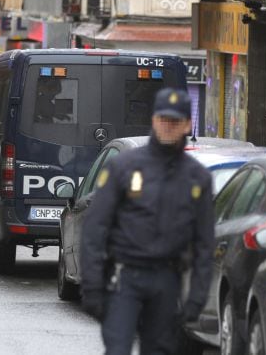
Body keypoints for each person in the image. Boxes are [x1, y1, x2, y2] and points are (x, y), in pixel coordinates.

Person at [81, 87, 214, 355]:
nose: (168, 127)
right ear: (153, 120)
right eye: (163, 120)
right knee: (118, 349)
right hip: (125, 278)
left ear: (188, 124)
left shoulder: (197, 177)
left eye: (175, 122)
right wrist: (92, 286)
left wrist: (196, 299)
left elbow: (204, 243)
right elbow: (95, 228)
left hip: (167, 280)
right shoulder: (124, 167)